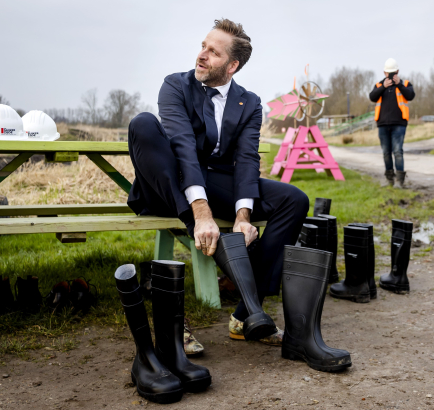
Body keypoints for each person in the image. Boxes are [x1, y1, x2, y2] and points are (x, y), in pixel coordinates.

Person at [127, 19, 308, 346]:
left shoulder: (249, 103)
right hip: (170, 186)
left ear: (232, 65)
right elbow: (182, 146)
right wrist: (201, 214)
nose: (202, 55)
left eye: (213, 52)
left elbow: (247, 159)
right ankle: (174, 320)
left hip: (215, 183)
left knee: (294, 199)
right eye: (203, 47)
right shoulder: (175, 86)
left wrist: (243, 218)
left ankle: (246, 312)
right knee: (142, 124)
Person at [369, 58, 415, 187]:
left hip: (399, 124)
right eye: (388, 73)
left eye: (393, 73)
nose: (390, 75)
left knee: (398, 151)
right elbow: (372, 97)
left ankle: (400, 181)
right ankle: (389, 180)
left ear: (397, 71)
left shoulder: (405, 84)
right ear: (384, 73)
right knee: (386, 153)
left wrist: (399, 84)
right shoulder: (379, 85)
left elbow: (410, 95)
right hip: (383, 125)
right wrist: (384, 86)